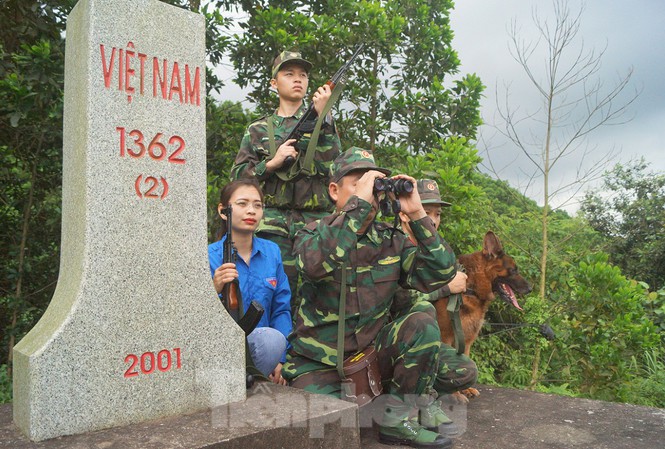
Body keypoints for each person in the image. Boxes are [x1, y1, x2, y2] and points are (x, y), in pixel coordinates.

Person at [282, 147, 458, 449]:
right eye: (358, 182)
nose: (370, 190)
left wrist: (416, 213)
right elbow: (314, 265)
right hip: (319, 366)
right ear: (334, 191)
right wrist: (358, 207)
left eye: (373, 183)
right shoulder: (310, 233)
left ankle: (397, 420)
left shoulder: (390, 241)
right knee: (326, 435)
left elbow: (441, 272)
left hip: (371, 362)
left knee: (422, 321)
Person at [230, 50, 342, 315]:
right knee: (268, 294)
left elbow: (336, 167)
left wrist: (324, 117)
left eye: (302, 75)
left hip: (316, 224)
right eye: (289, 74)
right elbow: (237, 178)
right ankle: (268, 352)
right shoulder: (258, 129)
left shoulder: (323, 123)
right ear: (274, 83)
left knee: (319, 296)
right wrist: (271, 163)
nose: (297, 80)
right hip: (272, 224)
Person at [392, 179, 478, 435]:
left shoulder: (437, 248)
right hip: (395, 337)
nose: (433, 220)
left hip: (430, 337)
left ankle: (424, 396)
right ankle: (406, 405)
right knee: (423, 315)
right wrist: (445, 288)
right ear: (405, 211)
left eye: (437, 214)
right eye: (426, 212)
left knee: (465, 371)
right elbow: (396, 298)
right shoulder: (393, 243)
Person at [208, 178, 292, 385]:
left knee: (271, 340)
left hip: (260, 350)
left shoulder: (272, 252)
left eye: (257, 205)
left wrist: (279, 360)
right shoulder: (208, 256)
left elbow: (281, 309)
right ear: (223, 211)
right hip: (218, 354)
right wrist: (213, 288)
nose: (251, 211)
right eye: (242, 204)